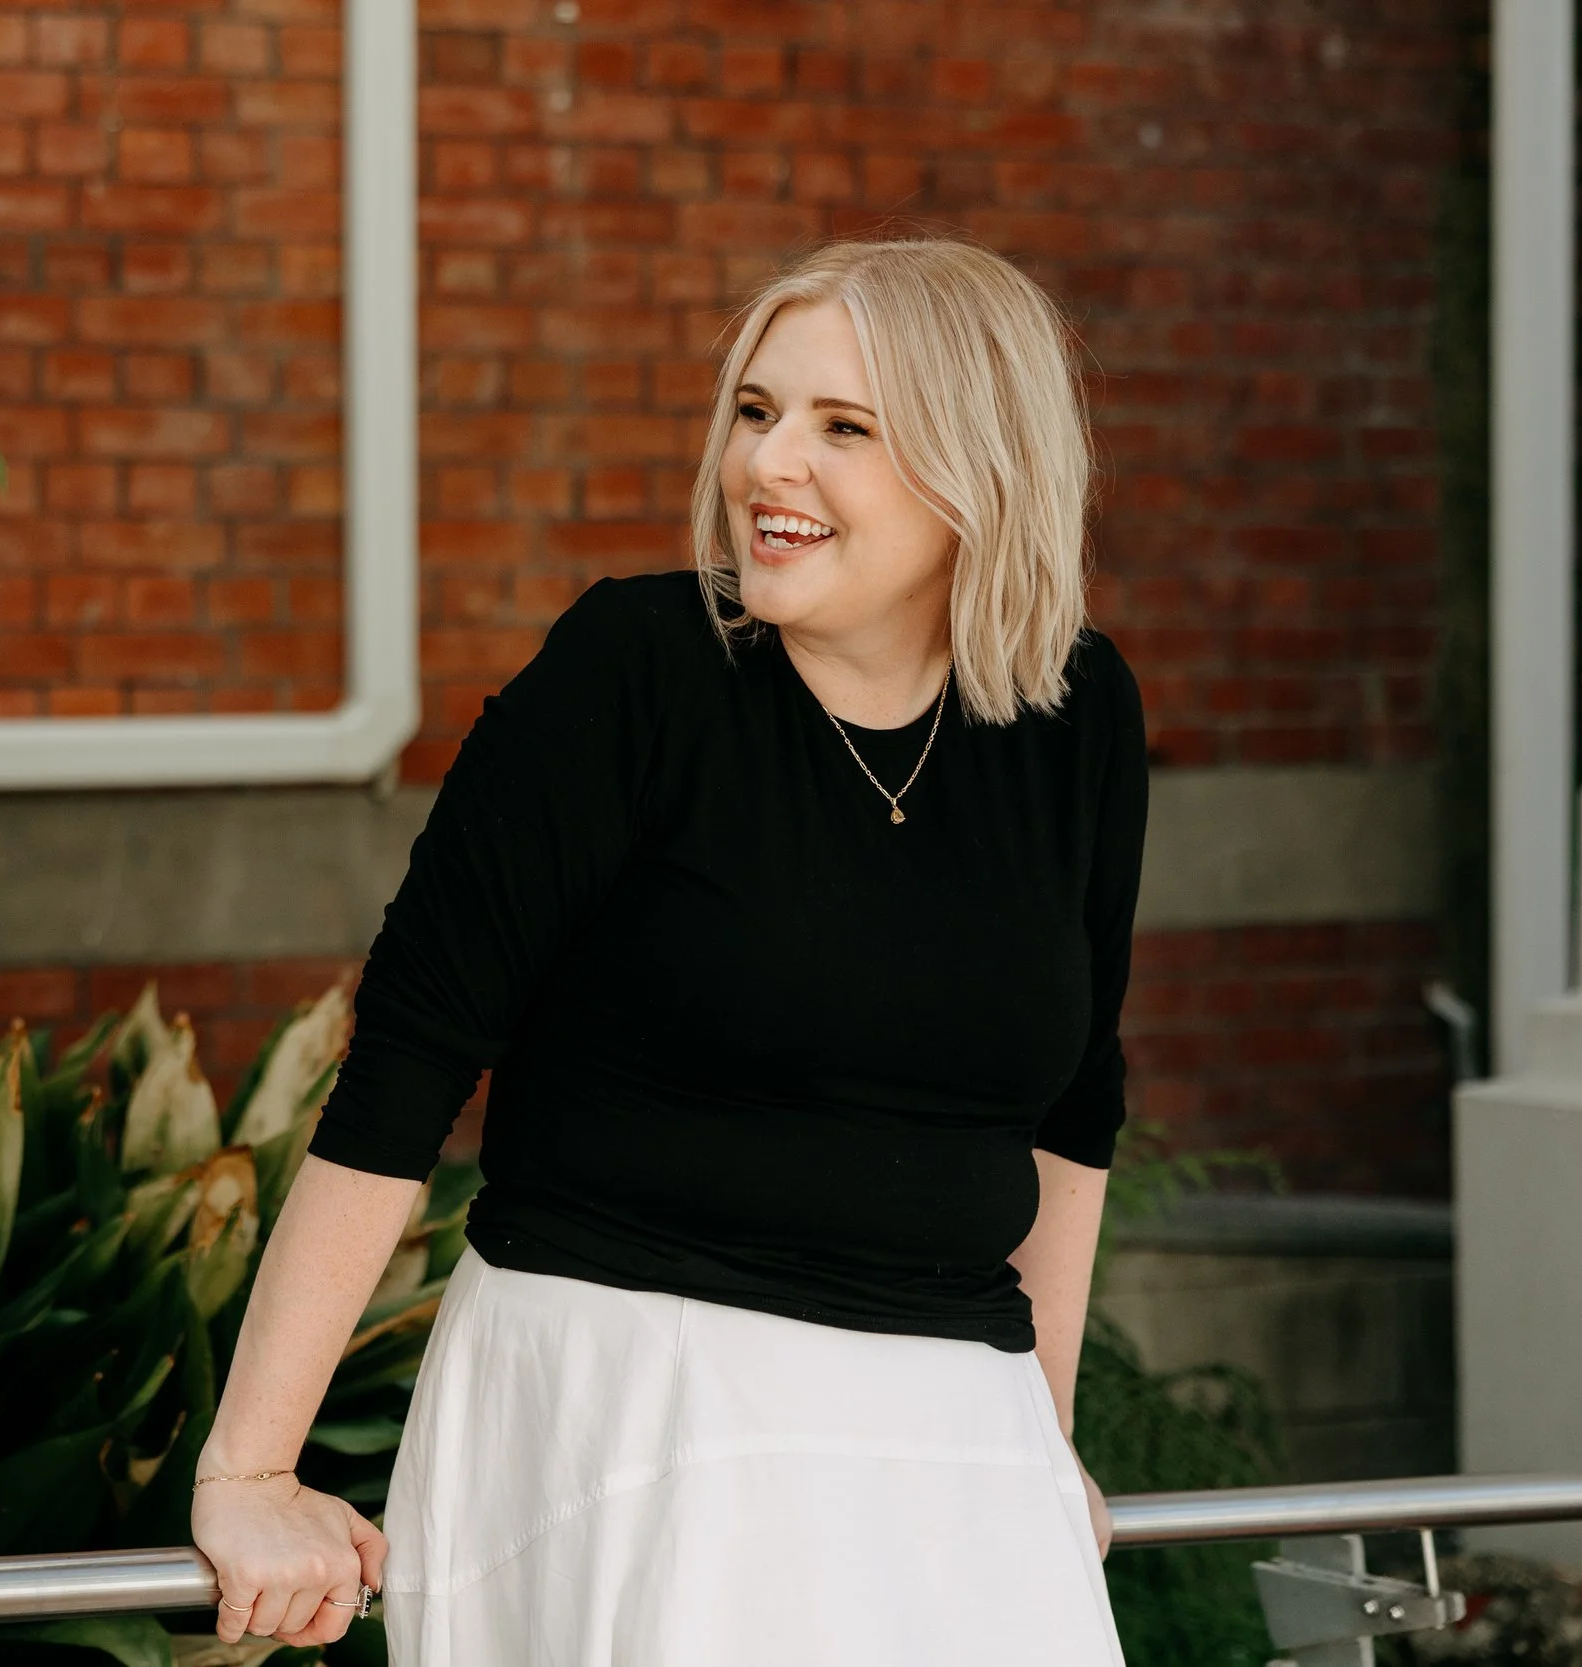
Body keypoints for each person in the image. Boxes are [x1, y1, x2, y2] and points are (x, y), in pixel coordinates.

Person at [189, 237, 1144, 1665]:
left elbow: (1073, 1111)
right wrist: (251, 1470)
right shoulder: (631, 673)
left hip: (959, 1438)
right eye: (756, 412)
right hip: (628, 1402)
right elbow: (405, 1065)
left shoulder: (1075, 716)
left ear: (977, 469)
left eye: (842, 428)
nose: (769, 465)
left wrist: (1040, 1439)